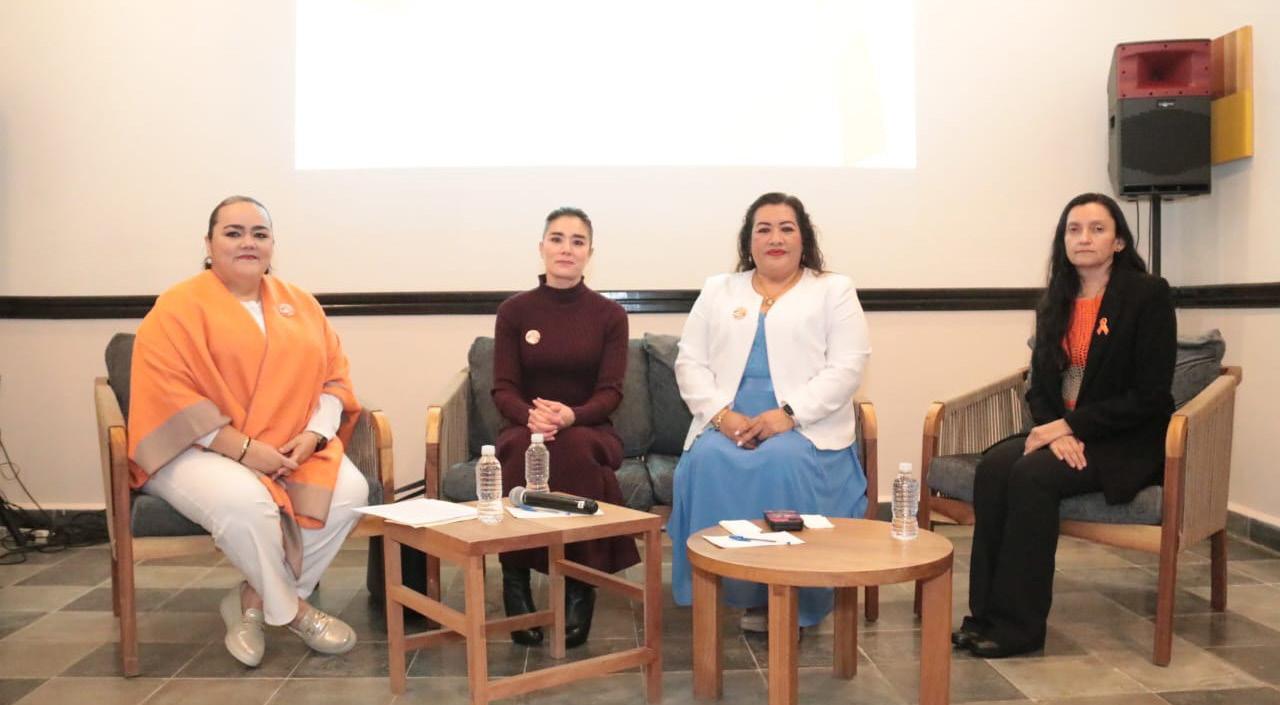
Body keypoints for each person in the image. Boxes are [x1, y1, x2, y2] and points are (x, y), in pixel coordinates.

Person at [128, 196, 366, 667]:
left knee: (350, 493)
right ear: (209, 243)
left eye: (260, 234)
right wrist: (242, 449)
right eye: (233, 233)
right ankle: (295, 612)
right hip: (194, 449)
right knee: (246, 504)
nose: (248, 243)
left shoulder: (301, 303)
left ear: (273, 244)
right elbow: (167, 393)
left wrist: (315, 436)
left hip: (289, 444)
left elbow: (333, 379)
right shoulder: (176, 306)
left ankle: (252, 602)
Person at [955, 192, 1176, 658]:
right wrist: (1057, 428)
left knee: (1032, 476)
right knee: (994, 467)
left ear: (1119, 241)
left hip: (1122, 441)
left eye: (1097, 229)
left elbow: (1151, 396)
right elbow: (1038, 387)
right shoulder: (1055, 300)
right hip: (1065, 433)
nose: (1084, 238)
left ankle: (1020, 628)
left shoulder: (1148, 295)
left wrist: (1069, 427)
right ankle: (985, 616)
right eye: (1074, 229)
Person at [668, 192, 872, 632]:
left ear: (804, 238)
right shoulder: (718, 289)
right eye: (764, 229)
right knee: (708, 459)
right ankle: (723, 590)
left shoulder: (833, 289)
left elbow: (848, 366)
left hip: (805, 427)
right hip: (728, 423)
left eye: (786, 228)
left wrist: (788, 415)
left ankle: (791, 600)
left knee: (782, 460)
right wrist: (721, 416)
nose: (775, 238)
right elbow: (689, 362)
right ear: (749, 241)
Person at [492, 206, 640, 648]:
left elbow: (611, 392)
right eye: (557, 239)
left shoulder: (610, 315)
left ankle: (579, 586)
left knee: (574, 449)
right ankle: (515, 581)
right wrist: (530, 416)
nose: (566, 249)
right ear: (542, 248)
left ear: (590, 253)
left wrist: (572, 415)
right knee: (524, 448)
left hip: (589, 426)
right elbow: (502, 388)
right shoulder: (514, 311)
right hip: (526, 425)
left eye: (578, 241)